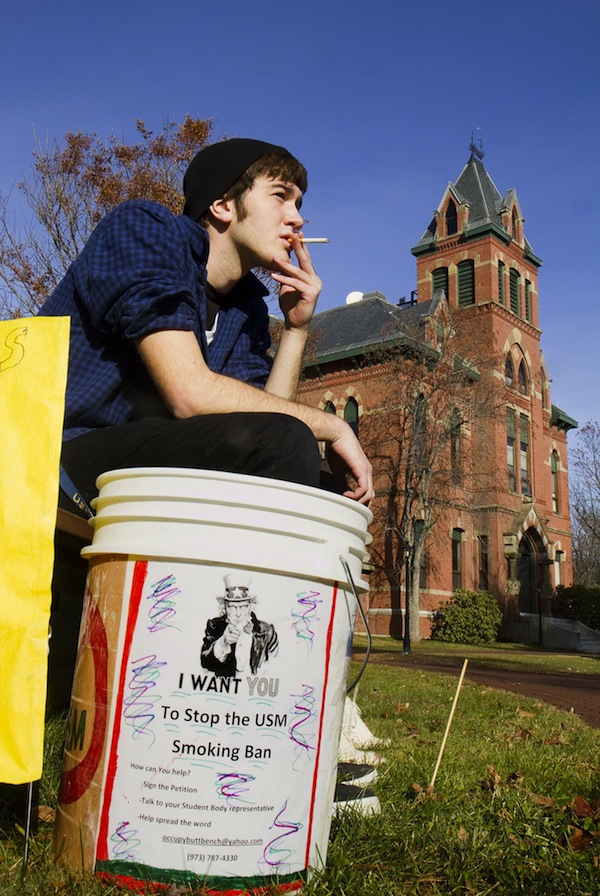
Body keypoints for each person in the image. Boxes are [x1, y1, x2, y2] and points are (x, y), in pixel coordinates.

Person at [40, 138, 373, 506]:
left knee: (332, 495)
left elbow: (265, 417)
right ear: (223, 204)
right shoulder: (145, 230)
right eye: (280, 196)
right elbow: (188, 393)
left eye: (298, 204)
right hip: (56, 456)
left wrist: (296, 328)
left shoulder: (247, 309)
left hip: (145, 463)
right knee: (282, 443)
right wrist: (334, 427)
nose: (296, 218)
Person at [201, 575, 278, 677]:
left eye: (243, 607)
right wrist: (223, 642)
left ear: (251, 606)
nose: (238, 614)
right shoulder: (215, 626)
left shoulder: (267, 631)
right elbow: (206, 662)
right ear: (224, 608)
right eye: (233, 607)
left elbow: (276, 666)